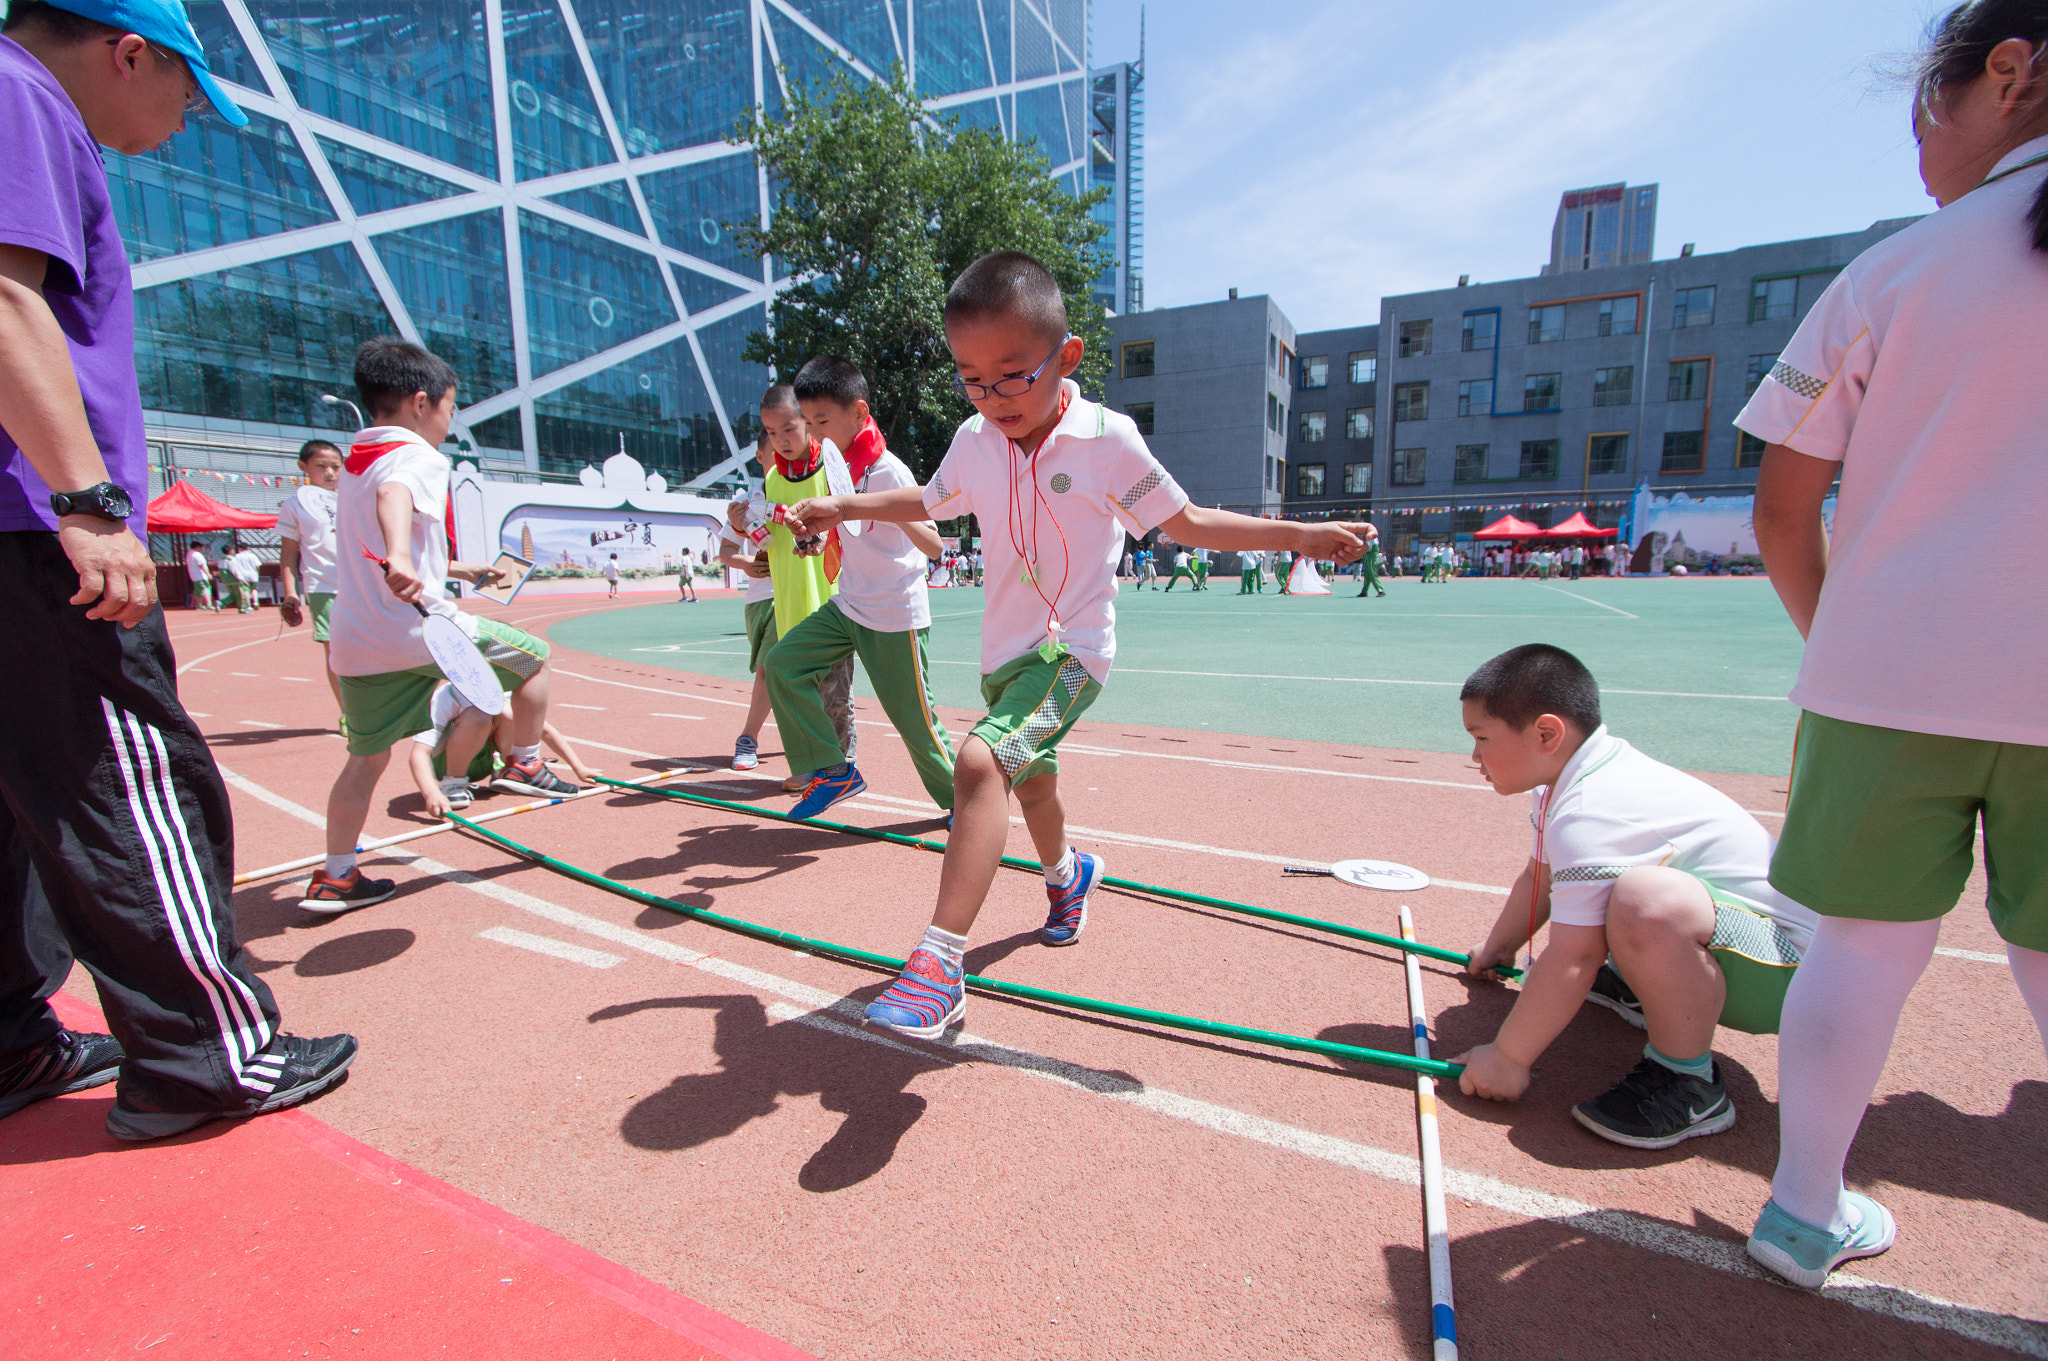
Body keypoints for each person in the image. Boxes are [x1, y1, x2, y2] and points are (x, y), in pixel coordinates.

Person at [782, 251, 1372, 1038]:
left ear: (1066, 358)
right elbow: (929, 500)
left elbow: (1188, 523)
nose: (992, 398)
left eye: (1012, 375)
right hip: (1004, 657)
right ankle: (1069, 874)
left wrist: (1301, 532)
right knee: (1030, 786)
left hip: (1072, 654)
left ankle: (936, 964)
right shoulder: (976, 438)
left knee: (980, 761)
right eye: (971, 379)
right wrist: (837, 505)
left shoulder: (1107, 441)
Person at [0, 0, 354, 1141]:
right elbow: (7, 301)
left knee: (21, 799)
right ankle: (206, 1050)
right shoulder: (23, 97)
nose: (186, 118)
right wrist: (86, 498)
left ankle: (11, 1034)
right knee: (126, 772)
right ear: (127, 50)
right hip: (31, 524)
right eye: (188, 91)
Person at [1736, 0, 2048, 1290]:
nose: (1917, 142)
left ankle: (1802, 1209)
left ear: (2009, 75)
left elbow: (1779, 505)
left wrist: (1846, 641)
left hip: (1887, 677)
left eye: (1925, 105)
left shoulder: (1891, 270)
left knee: (1858, 946)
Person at [1455, 646, 1819, 1150]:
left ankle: (1688, 1080)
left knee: (1646, 899)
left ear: (1545, 734)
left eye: (1481, 739)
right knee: (1617, 892)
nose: (1474, 757)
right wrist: (1499, 948)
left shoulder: (1593, 808)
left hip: (1791, 973)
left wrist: (1509, 1057)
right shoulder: (1569, 780)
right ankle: (1638, 985)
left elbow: (1574, 953)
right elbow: (1539, 876)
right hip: (1747, 943)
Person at [311, 338, 574, 912]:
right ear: (421, 402)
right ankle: (525, 760)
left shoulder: (353, 462)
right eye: (452, 409)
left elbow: (373, 528)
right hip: (420, 631)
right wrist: (404, 558)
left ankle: (336, 877)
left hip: (356, 646)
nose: (450, 424)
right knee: (533, 658)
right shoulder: (415, 456)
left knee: (365, 760)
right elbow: (396, 495)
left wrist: (448, 566)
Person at [765, 355, 956, 818]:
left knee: (916, 724)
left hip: (893, 614)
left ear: (860, 413)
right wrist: (813, 538)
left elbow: (933, 545)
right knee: (782, 666)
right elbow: (852, 538)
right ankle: (835, 770)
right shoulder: (836, 469)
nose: (816, 433)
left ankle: (966, 806)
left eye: (823, 421)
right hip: (848, 605)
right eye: (808, 422)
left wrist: (877, 508)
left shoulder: (888, 470)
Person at [754, 382, 860, 794]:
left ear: (810, 425)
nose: (780, 441)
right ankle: (808, 764)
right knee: (791, 689)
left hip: (832, 603)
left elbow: (848, 528)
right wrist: (753, 529)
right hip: (789, 604)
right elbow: (768, 544)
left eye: (789, 429)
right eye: (771, 433)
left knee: (834, 692)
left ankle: (843, 765)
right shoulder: (772, 481)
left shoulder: (832, 473)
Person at [406, 680, 600, 815]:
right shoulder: (447, 695)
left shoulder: (501, 690)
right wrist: (431, 791)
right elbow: (419, 753)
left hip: (486, 760)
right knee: (478, 716)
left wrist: (578, 767)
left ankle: (508, 771)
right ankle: (454, 783)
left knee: (508, 712)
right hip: (446, 764)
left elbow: (543, 730)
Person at [276, 438, 342, 711]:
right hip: (322, 586)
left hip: (361, 585)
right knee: (336, 654)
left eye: (336, 467)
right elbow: (289, 553)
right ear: (303, 467)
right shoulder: (294, 505)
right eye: (321, 466)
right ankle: (347, 714)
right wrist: (291, 592)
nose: (330, 472)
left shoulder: (352, 500)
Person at [717, 491, 775, 771]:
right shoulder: (747, 501)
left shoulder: (810, 486)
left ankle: (747, 739)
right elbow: (727, 551)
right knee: (771, 670)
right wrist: (747, 564)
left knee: (770, 669)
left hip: (804, 595)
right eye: (774, 444)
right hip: (759, 600)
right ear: (761, 455)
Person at [182, 537, 215, 610]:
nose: (201, 549)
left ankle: (199, 605)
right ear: (197, 547)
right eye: (200, 547)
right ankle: (208, 604)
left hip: (194, 576)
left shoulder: (189, 554)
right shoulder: (197, 554)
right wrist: (208, 574)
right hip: (201, 576)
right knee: (205, 589)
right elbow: (201, 565)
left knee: (198, 591)